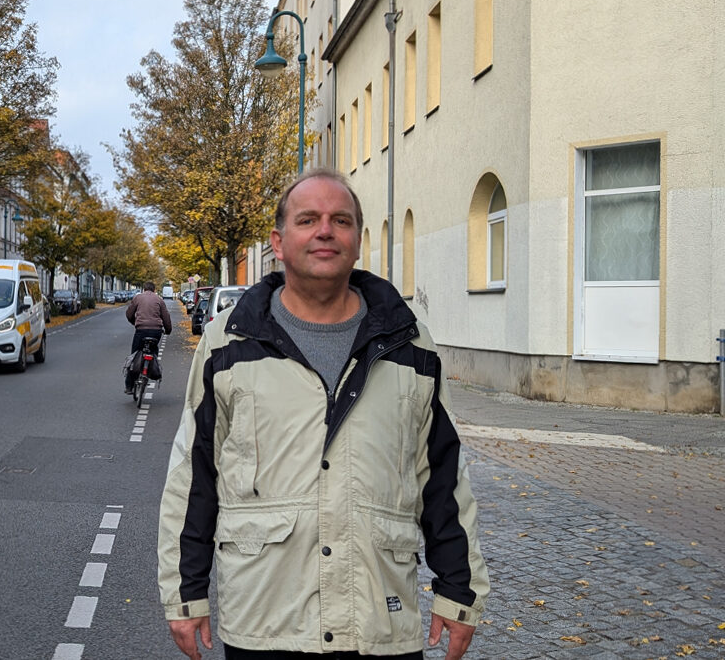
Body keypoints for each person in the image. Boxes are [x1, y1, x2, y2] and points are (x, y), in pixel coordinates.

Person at [158, 169, 489, 660]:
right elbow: (194, 472)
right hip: (266, 617)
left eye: (341, 220)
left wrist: (458, 590)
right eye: (308, 219)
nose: (325, 231)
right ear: (279, 241)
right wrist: (186, 592)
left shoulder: (408, 342)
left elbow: (441, 472)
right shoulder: (231, 341)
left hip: (377, 616)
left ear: (358, 239)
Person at [125, 281, 172, 394]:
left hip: (141, 330)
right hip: (156, 331)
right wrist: (168, 330)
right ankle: (153, 369)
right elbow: (166, 317)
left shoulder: (138, 298)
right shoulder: (159, 300)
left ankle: (129, 386)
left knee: (134, 355)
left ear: (144, 289)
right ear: (154, 290)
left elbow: (129, 314)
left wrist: (135, 322)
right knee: (153, 351)